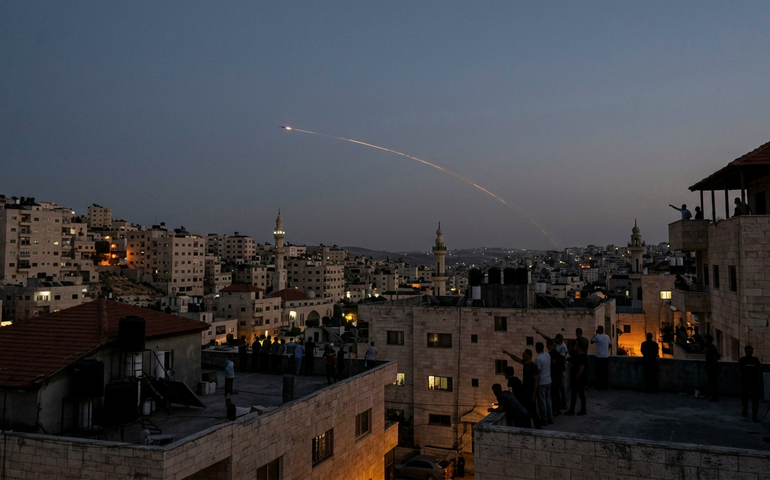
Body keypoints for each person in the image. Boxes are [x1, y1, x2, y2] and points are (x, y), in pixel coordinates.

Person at [502, 348, 542, 429]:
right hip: (526, 392)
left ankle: (538, 427)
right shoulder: (526, 364)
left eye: (524, 354)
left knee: (533, 411)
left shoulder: (533, 366)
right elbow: (517, 359)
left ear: (529, 356)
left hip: (531, 392)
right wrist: (508, 353)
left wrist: (534, 394)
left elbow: (536, 380)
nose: (523, 355)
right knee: (527, 410)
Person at [738, 345, 762, 422]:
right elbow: (738, 371)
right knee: (746, 398)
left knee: (753, 399)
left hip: (753, 383)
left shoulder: (755, 360)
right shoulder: (743, 360)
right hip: (747, 382)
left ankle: (753, 414)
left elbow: (759, 371)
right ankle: (746, 410)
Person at [565, 342, 587, 415]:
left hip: (579, 379)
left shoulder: (582, 357)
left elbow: (581, 368)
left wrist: (577, 376)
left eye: (577, 346)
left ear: (579, 347)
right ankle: (572, 410)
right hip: (576, 378)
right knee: (574, 395)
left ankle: (582, 410)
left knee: (580, 394)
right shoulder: (577, 355)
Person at [534, 342, 553, 425]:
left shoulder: (538, 358)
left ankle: (544, 419)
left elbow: (538, 371)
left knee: (542, 401)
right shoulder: (547, 355)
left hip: (542, 381)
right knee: (548, 400)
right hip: (549, 379)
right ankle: (550, 417)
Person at [547, 339, 566, 415]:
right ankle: (558, 409)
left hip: (553, 376)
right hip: (558, 376)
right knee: (557, 394)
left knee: (553, 395)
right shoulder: (558, 355)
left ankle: (555, 410)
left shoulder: (551, 354)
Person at [591, 326, 610, 390]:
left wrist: (596, 334)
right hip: (606, 356)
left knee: (598, 372)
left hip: (599, 357)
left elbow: (591, 341)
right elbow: (609, 344)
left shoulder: (597, 337)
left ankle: (599, 386)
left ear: (598, 330)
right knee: (605, 372)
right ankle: (605, 386)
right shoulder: (607, 336)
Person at [705, 335, 720, 401]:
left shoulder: (712, 348)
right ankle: (711, 395)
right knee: (711, 382)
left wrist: (712, 365)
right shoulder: (710, 347)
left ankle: (714, 397)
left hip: (712, 367)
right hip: (711, 367)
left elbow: (715, 357)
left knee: (713, 382)